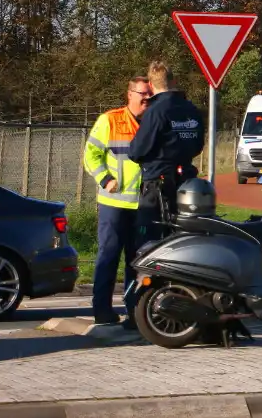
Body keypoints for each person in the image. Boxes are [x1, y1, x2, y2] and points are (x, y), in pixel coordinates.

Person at [81, 77, 152, 325]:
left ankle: (135, 311)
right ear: (129, 94)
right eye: (142, 94)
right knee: (108, 256)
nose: (146, 99)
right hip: (114, 203)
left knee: (138, 261)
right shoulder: (110, 120)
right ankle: (102, 310)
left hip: (143, 205)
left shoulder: (153, 121)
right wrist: (105, 179)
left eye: (150, 95)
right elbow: (91, 154)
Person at [130, 61, 206, 248]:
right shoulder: (191, 109)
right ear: (174, 81)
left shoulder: (155, 111)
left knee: (149, 241)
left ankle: (151, 276)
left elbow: (137, 150)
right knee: (184, 237)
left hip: (157, 184)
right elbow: (198, 145)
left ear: (150, 84)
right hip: (187, 181)